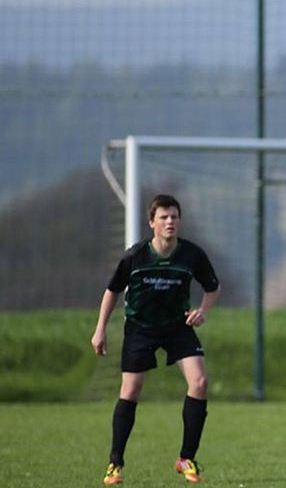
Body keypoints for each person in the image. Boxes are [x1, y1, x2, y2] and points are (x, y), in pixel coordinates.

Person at [91, 194, 221, 486]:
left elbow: (213, 287)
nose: (170, 221)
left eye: (174, 216)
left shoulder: (192, 255)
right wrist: (100, 329)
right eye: (163, 217)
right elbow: (112, 291)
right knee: (131, 389)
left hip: (177, 326)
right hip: (140, 328)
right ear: (152, 223)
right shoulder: (134, 256)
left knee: (199, 383)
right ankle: (115, 464)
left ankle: (186, 458)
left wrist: (203, 311)